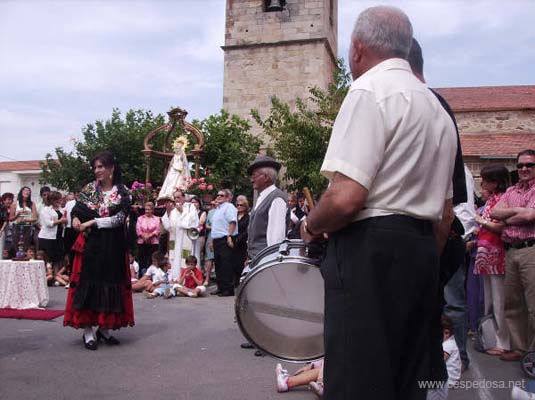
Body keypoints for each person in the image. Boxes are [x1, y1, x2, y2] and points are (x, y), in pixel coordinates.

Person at [300, 7, 457, 400]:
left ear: (356, 48)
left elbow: (346, 198)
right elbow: (445, 215)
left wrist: (311, 225)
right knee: (408, 378)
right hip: (422, 251)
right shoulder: (437, 110)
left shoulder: (369, 90)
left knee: (359, 377)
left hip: (370, 253)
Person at [63, 151, 134, 351]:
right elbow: (77, 210)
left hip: (112, 244)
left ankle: (104, 327)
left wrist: (93, 221)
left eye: (101, 167)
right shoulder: (89, 189)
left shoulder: (123, 192)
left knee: (109, 282)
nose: (97, 171)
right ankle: (88, 330)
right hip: (91, 245)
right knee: (89, 283)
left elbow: (119, 219)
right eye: (95, 167)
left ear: (111, 168)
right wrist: (76, 220)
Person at [491, 149, 535, 362]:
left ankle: (533, 353)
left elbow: (531, 215)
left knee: (533, 303)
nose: (524, 169)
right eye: (520, 166)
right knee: (513, 303)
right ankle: (520, 348)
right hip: (511, 251)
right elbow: (494, 213)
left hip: (531, 250)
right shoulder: (511, 190)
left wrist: (509, 216)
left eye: (529, 165)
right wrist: (519, 212)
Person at [241, 156, 288, 356]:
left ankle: (268, 341)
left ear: (266, 178)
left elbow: (275, 235)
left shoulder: (276, 197)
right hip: (257, 257)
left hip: (266, 258)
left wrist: (269, 263)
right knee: (258, 300)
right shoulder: (262, 197)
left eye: (255, 176)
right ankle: (258, 338)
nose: (252, 179)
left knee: (269, 301)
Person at [473, 164, 511, 356]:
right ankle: (491, 337)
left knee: (499, 300)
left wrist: (479, 220)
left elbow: (499, 227)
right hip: (485, 254)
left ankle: (504, 342)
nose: (482, 182)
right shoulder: (490, 200)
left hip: (497, 254)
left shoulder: (503, 199)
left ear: (495, 182)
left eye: (486, 179)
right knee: (488, 300)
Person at [161, 190, 199, 281]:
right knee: (175, 258)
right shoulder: (173, 210)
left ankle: (187, 280)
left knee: (185, 257)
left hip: (186, 238)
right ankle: (176, 278)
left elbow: (192, 223)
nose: (177, 199)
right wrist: (168, 212)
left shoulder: (190, 207)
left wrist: (182, 212)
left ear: (184, 197)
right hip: (176, 239)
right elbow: (169, 227)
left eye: (178, 197)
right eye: (175, 198)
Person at [210, 189, 238, 297]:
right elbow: (215, 227)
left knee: (226, 264)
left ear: (228, 198)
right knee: (218, 264)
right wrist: (212, 241)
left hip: (225, 238)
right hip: (217, 239)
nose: (218, 197)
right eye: (217, 195)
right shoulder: (218, 209)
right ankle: (220, 287)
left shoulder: (229, 207)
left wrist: (229, 236)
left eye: (221, 195)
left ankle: (228, 289)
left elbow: (232, 222)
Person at [37, 191, 67, 274]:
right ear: (52, 200)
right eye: (57, 200)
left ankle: (56, 275)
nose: (59, 202)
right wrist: (60, 221)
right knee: (47, 257)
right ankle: (46, 274)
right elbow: (48, 223)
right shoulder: (45, 210)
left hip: (59, 236)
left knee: (57, 257)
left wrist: (63, 222)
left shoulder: (62, 209)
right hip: (47, 237)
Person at [158, 135, 190, 200]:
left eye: (178, 147)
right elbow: (171, 163)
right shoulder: (175, 155)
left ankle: (174, 194)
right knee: (170, 181)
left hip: (179, 170)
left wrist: (183, 170)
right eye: (176, 147)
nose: (177, 149)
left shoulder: (182, 154)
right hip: (173, 170)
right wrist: (169, 169)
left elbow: (184, 163)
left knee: (177, 181)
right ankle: (167, 193)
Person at [135, 201, 161, 276]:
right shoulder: (140, 218)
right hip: (142, 242)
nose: (147, 211)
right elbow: (138, 229)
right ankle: (141, 277)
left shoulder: (157, 219)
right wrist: (144, 236)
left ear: (152, 210)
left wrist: (150, 236)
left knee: (152, 260)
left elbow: (158, 229)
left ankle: (152, 277)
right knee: (142, 261)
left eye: (149, 209)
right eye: (146, 209)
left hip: (153, 242)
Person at [9, 186, 38, 252]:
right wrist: (17, 215)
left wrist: (26, 220)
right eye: (25, 190)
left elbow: (35, 218)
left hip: (27, 227)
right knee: (16, 245)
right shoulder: (15, 203)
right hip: (17, 227)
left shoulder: (32, 204)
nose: (27, 192)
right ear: (21, 192)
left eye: (29, 191)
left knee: (26, 245)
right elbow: (10, 218)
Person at [233, 195, 250, 287]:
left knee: (240, 262)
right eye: (238, 205)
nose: (239, 207)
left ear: (245, 206)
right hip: (233, 241)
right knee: (233, 262)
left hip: (242, 242)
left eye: (241, 205)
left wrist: (239, 238)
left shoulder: (248, 217)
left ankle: (240, 282)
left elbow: (247, 230)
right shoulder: (234, 216)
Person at [190, 196, 206, 267]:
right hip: (189, 236)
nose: (193, 204)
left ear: (199, 203)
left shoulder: (203, 213)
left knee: (197, 254)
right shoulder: (188, 213)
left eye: (195, 202)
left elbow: (201, 223)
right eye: (192, 202)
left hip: (199, 236)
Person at [203, 200, 216, 286]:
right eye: (211, 204)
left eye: (214, 204)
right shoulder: (210, 212)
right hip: (211, 235)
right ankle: (207, 278)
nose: (212, 205)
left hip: (219, 235)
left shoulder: (222, 211)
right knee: (209, 258)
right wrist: (213, 227)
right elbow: (206, 225)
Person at [0, 192, 14, 260]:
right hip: (4, 233)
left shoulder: (14, 209)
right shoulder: (2, 209)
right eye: (8, 199)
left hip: (11, 235)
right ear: (3, 200)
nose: (10, 201)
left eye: (11, 200)